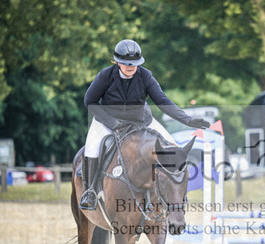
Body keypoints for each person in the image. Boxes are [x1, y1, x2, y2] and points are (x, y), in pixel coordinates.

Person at [80, 39, 210, 210]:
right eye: (127, 63)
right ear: (117, 62)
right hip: (107, 120)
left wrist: (188, 120)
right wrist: (111, 122)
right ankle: (90, 191)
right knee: (92, 148)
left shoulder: (145, 76)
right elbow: (89, 101)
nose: (131, 67)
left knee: (173, 147)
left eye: (135, 63)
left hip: (141, 120)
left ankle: (176, 194)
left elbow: (162, 101)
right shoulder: (105, 76)